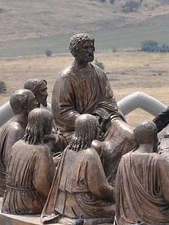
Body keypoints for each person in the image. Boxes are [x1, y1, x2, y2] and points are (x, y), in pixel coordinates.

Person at [51, 33, 135, 183]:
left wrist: (98, 117)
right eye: (86, 48)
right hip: (77, 129)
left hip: (103, 120)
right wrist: (87, 122)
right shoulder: (66, 77)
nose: (91, 50)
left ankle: (120, 181)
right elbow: (62, 113)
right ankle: (100, 184)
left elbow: (109, 101)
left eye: (92, 47)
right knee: (96, 147)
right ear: (75, 51)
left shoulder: (98, 73)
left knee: (129, 136)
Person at [41, 114, 115, 225]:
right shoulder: (90, 154)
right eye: (96, 127)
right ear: (92, 131)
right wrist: (116, 193)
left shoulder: (67, 150)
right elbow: (99, 189)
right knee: (122, 209)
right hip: (83, 206)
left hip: (63, 205)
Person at [2, 108, 56, 215]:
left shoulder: (17, 145)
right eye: (50, 124)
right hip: (28, 204)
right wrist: (54, 198)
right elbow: (41, 184)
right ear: (45, 126)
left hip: (10, 200)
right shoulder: (41, 150)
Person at [0, 89, 39, 196]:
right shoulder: (16, 130)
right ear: (25, 106)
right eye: (33, 101)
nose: (37, 104)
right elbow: (14, 166)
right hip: (5, 188)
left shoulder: (20, 125)